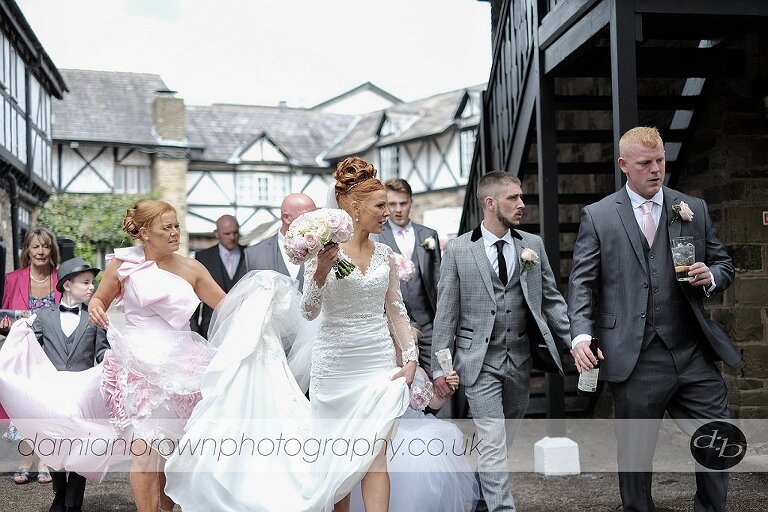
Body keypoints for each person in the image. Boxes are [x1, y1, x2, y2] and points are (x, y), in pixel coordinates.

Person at [164, 157, 418, 512]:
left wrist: (410, 359)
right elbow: (309, 310)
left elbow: (396, 310)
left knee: (376, 460)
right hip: (335, 369)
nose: (387, 213)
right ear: (357, 208)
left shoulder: (387, 255)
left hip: (378, 366)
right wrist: (319, 274)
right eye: (380, 206)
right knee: (337, 461)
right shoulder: (322, 253)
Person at [567, 126, 739, 512]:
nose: (656, 169)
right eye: (646, 163)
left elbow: (724, 263)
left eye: (660, 160)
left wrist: (711, 275)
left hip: (690, 349)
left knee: (718, 437)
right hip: (635, 356)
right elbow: (581, 284)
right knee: (635, 459)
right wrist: (580, 336)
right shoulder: (598, 217)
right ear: (624, 165)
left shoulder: (690, 207)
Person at [431, 170, 570, 512]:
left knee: (501, 443)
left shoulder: (531, 246)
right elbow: (445, 314)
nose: (522, 204)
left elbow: (551, 300)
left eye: (521, 197)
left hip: (520, 361)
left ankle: (481, 499)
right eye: (513, 198)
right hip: (478, 363)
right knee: (493, 441)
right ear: (490, 203)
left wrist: (576, 341)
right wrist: (439, 367)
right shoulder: (460, 249)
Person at [84, 199, 225, 512]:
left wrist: (263, 303)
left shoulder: (192, 268)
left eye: (177, 226)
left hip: (184, 367)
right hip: (138, 367)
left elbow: (228, 306)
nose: (175, 233)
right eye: (167, 227)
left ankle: (168, 508)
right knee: (144, 451)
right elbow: (98, 300)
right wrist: (95, 308)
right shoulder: (122, 265)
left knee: (176, 453)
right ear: (145, 232)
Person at [33, 257, 109, 512]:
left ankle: (73, 501)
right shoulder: (43, 317)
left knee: (80, 446)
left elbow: (101, 352)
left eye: (93, 283)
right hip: (52, 391)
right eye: (86, 282)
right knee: (54, 443)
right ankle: (61, 489)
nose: (91, 288)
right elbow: (30, 348)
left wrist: (109, 360)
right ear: (67, 285)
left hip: (83, 392)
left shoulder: (94, 318)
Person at [0, 227, 61, 485]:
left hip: (52, 350)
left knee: (47, 405)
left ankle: (45, 460)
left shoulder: (62, 278)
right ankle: (25, 460)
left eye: (45, 246)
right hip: (23, 351)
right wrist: (3, 323)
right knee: (23, 407)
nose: (40, 252)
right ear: (27, 251)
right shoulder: (13, 278)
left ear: (52, 251)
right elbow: (2, 313)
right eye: (35, 246)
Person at [380, 178, 441, 373]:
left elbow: (438, 280)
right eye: (392, 204)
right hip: (393, 326)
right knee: (403, 381)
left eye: (403, 203)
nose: (398, 209)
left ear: (411, 202)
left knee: (435, 380)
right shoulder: (378, 236)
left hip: (428, 322)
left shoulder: (429, 235)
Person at [244, 192, 316, 291]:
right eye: (307, 216)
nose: (314, 221)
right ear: (286, 218)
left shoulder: (324, 251)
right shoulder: (253, 254)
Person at [190, 214, 247, 338]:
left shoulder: (250, 254)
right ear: (217, 234)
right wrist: (194, 333)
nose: (232, 237)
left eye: (235, 232)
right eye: (227, 234)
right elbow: (194, 299)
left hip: (243, 329)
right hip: (210, 330)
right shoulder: (203, 257)